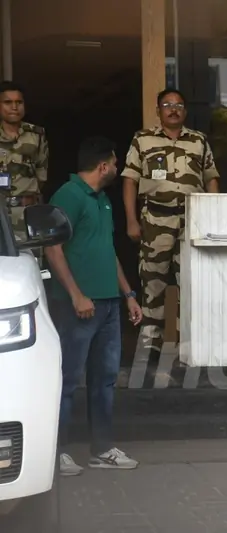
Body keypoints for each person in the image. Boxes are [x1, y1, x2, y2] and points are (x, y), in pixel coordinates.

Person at [45, 136, 143, 475]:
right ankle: (56, 453)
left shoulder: (102, 200)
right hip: (77, 307)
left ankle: (101, 450)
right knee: (67, 380)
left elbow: (106, 250)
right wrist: (76, 294)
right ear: (103, 166)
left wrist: (128, 294)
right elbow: (52, 249)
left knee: (104, 380)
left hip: (109, 305)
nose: (117, 168)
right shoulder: (68, 196)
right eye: (115, 163)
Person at [121, 88, 220, 360]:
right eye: (167, 105)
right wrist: (131, 220)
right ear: (158, 111)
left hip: (192, 220)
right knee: (153, 280)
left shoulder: (198, 140)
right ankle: (150, 343)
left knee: (190, 281)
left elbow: (211, 177)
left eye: (178, 105)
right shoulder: (143, 139)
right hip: (155, 219)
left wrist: (214, 215)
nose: (173, 109)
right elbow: (130, 180)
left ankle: (187, 343)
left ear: (185, 111)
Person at [0, 81, 48, 239]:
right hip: (1, 214)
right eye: (8, 102)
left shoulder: (36, 134)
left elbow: (41, 174)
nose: (14, 107)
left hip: (28, 213)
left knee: (32, 253)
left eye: (19, 102)